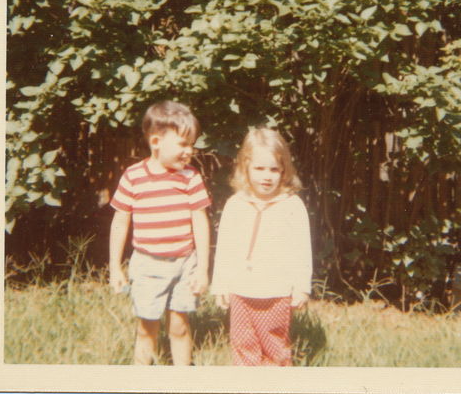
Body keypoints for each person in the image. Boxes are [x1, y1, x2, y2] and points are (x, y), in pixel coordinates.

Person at [109, 100, 211, 365]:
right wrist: (114, 267)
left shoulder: (191, 177)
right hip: (147, 265)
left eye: (192, 144)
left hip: (185, 264)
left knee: (179, 326)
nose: (189, 151)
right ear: (156, 142)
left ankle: (182, 381)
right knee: (147, 329)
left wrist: (202, 270)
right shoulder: (133, 177)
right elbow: (120, 222)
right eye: (183, 144)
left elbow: (200, 222)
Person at [211, 127, 312, 366]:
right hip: (241, 289)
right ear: (245, 167)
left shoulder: (291, 205)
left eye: (274, 169)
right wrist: (221, 285)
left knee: (274, 344)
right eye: (259, 168)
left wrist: (301, 287)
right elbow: (225, 248)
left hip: (277, 290)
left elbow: (301, 249)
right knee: (243, 343)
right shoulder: (236, 204)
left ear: (284, 170)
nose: (266, 176)